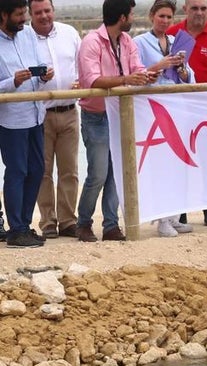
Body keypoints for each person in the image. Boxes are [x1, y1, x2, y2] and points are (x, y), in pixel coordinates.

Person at [76, 0, 155, 243]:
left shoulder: (127, 41)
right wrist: (128, 78)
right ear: (122, 17)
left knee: (116, 173)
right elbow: (91, 81)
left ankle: (111, 225)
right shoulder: (91, 42)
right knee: (98, 174)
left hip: (121, 114)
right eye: (131, 14)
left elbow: (136, 69)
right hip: (97, 116)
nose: (133, 18)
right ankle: (84, 223)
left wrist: (147, 75)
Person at [134, 0, 193, 238]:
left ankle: (175, 215)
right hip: (152, 110)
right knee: (158, 165)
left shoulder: (175, 43)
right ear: (151, 16)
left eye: (169, 17)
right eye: (161, 16)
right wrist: (161, 65)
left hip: (175, 108)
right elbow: (137, 73)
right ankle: (161, 219)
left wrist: (182, 71)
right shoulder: (139, 43)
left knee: (177, 163)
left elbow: (189, 76)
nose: (165, 21)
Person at [170, 0, 207, 226]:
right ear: (185, 10)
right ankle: (180, 213)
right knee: (180, 163)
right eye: (194, 8)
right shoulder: (172, 34)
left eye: (203, 8)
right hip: (178, 110)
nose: (199, 13)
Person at [0, 0, 50, 249]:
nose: (23, 18)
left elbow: (38, 66)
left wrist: (43, 75)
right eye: (19, 14)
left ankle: (25, 226)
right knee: (17, 171)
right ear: (4, 15)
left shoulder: (28, 34)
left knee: (37, 169)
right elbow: (5, 85)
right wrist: (12, 81)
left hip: (36, 114)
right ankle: (16, 229)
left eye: (24, 13)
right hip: (11, 120)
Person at [30, 0, 80, 240]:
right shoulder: (24, 39)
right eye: (38, 12)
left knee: (70, 170)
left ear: (54, 11)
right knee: (43, 171)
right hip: (41, 114)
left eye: (47, 10)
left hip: (70, 111)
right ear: (30, 14)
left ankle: (69, 221)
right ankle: (48, 221)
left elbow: (81, 64)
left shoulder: (70, 33)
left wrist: (81, 82)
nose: (44, 16)